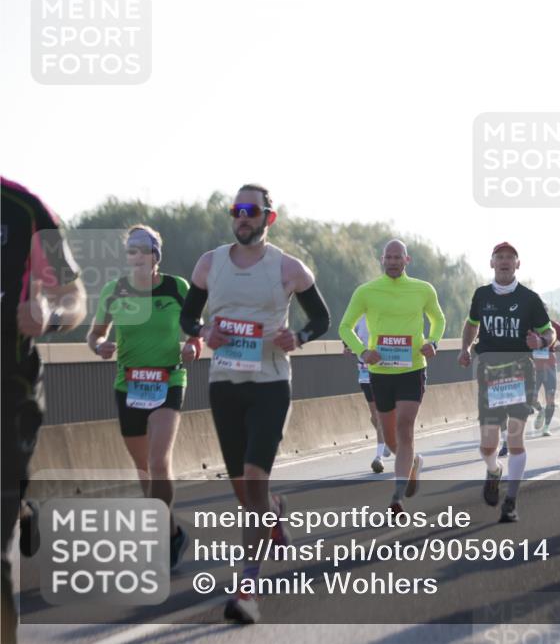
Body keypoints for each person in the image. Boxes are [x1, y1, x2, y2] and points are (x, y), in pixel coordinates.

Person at [180, 184, 331, 623]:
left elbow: (320, 319)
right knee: (246, 495)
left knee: (252, 478)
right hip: (225, 384)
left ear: (270, 217)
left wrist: (297, 337)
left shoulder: (287, 267)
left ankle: (248, 589)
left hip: (269, 383)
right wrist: (204, 332)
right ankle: (274, 510)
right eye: (236, 210)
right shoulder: (210, 263)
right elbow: (188, 317)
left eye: (251, 211)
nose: (242, 217)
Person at [87, 225, 201, 569]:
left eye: (142, 249)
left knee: (157, 462)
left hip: (169, 379)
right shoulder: (115, 289)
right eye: (130, 250)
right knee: (142, 470)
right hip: (129, 385)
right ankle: (169, 532)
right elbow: (95, 334)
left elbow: (197, 330)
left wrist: (193, 346)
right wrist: (99, 347)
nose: (136, 256)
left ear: (155, 256)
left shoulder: (177, 287)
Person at [2, 177, 86, 644]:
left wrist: (48, 317)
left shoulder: (25, 209)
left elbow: (75, 299)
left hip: (8, 387)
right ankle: (22, 511)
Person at [339, 239, 446, 516]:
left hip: (412, 368)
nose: (394, 261)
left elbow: (438, 319)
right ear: (382, 260)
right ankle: (412, 464)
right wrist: (363, 352)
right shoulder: (366, 291)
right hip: (380, 371)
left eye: (398, 257)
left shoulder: (423, 289)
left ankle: (397, 497)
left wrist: (432, 342)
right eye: (389, 257)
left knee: (405, 427)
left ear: (406, 260)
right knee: (389, 438)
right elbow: (345, 327)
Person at [459, 242, 554, 523]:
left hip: (520, 372)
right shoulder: (481, 295)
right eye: (499, 257)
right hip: (489, 372)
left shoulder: (529, 298)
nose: (504, 261)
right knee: (488, 445)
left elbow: (550, 334)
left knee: (515, 438)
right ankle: (493, 470)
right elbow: (472, 323)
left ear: (517, 264)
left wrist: (541, 341)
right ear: (491, 263)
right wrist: (465, 348)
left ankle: (511, 500)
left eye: (509, 258)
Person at [344, 315, 392, 474]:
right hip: (364, 372)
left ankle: (379, 457)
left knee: (379, 415)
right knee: (374, 416)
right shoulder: (358, 316)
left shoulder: (383, 313)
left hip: (382, 370)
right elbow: (348, 331)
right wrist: (346, 345)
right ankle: (387, 441)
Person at [531, 315, 560, 436]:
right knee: (531, 398)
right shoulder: (529, 324)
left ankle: (546, 427)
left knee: (550, 399)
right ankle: (540, 411)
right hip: (533, 368)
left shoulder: (554, 325)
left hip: (550, 367)